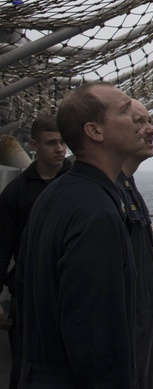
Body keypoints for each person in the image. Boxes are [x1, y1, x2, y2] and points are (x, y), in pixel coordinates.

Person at [15, 82, 144, 388]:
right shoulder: (97, 214)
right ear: (95, 132)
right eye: (125, 110)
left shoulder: (57, 193)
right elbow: (94, 335)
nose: (139, 117)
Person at [0, 115, 71, 389]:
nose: (59, 149)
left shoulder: (79, 184)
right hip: (28, 291)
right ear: (33, 145)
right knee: (24, 365)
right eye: (51, 142)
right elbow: (2, 246)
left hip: (68, 289)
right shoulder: (15, 193)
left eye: (63, 141)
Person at [117, 100, 153, 389]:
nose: (151, 129)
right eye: (139, 122)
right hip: (123, 335)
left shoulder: (126, 187)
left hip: (139, 330)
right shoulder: (101, 198)